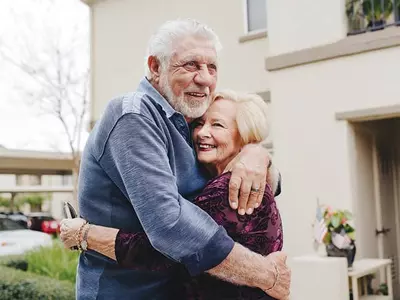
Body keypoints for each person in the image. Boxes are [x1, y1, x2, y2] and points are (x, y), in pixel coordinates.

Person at [71, 18, 290, 300]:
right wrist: (265, 275)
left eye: (212, 67)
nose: (205, 78)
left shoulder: (188, 119)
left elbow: (263, 185)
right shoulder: (134, 116)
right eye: (191, 65)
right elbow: (170, 227)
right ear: (155, 67)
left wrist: (257, 155)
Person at [61, 90, 284, 299]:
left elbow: (163, 252)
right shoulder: (231, 178)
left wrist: (84, 235)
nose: (202, 133)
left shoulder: (228, 190)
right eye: (199, 123)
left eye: (217, 125)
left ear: (245, 137)